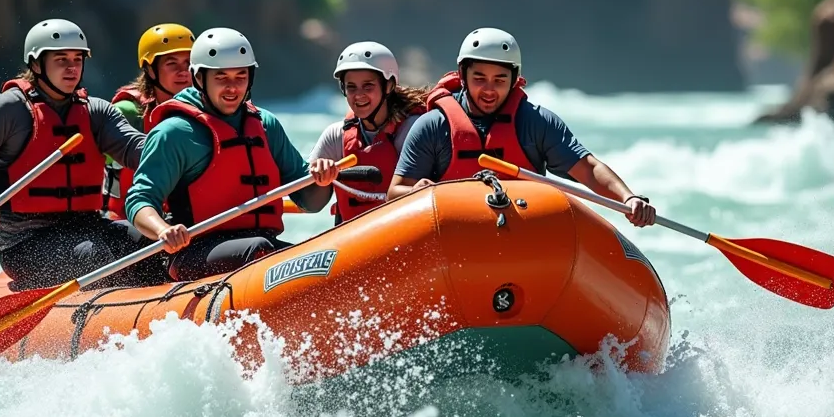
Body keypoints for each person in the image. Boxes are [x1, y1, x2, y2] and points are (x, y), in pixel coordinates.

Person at [0, 18, 169, 289]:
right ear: (37, 64)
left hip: (89, 227)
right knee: (93, 257)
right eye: (61, 59)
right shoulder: (8, 110)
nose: (72, 68)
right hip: (26, 243)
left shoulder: (95, 112)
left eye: (77, 59)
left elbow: (138, 149)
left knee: (156, 242)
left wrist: (181, 155)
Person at [124, 27, 342, 281]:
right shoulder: (173, 133)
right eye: (221, 77)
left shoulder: (265, 125)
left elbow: (311, 202)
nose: (232, 87)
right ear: (199, 78)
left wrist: (323, 179)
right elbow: (139, 200)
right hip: (194, 252)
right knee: (261, 249)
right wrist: (163, 230)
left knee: (317, 256)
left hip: (261, 248)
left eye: (240, 76)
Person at [386, 27, 657, 228]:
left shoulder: (535, 122)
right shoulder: (433, 126)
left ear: (515, 80)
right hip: (453, 235)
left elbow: (588, 169)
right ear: (463, 75)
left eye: (500, 80)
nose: (489, 90)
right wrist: (416, 191)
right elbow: (394, 192)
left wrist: (628, 197)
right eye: (479, 78)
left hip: (522, 232)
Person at [308, 41, 427, 224]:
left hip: (404, 234)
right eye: (351, 87)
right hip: (354, 241)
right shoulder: (336, 136)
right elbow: (311, 203)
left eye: (368, 86)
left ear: (388, 86)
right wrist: (320, 177)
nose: (358, 95)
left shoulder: (413, 130)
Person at [103, 22, 195, 220]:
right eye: (172, 64)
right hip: (130, 223)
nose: (184, 72)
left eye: (189, 64)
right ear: (150, 70)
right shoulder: (128, 112)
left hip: (186, 223)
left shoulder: (206, 112)